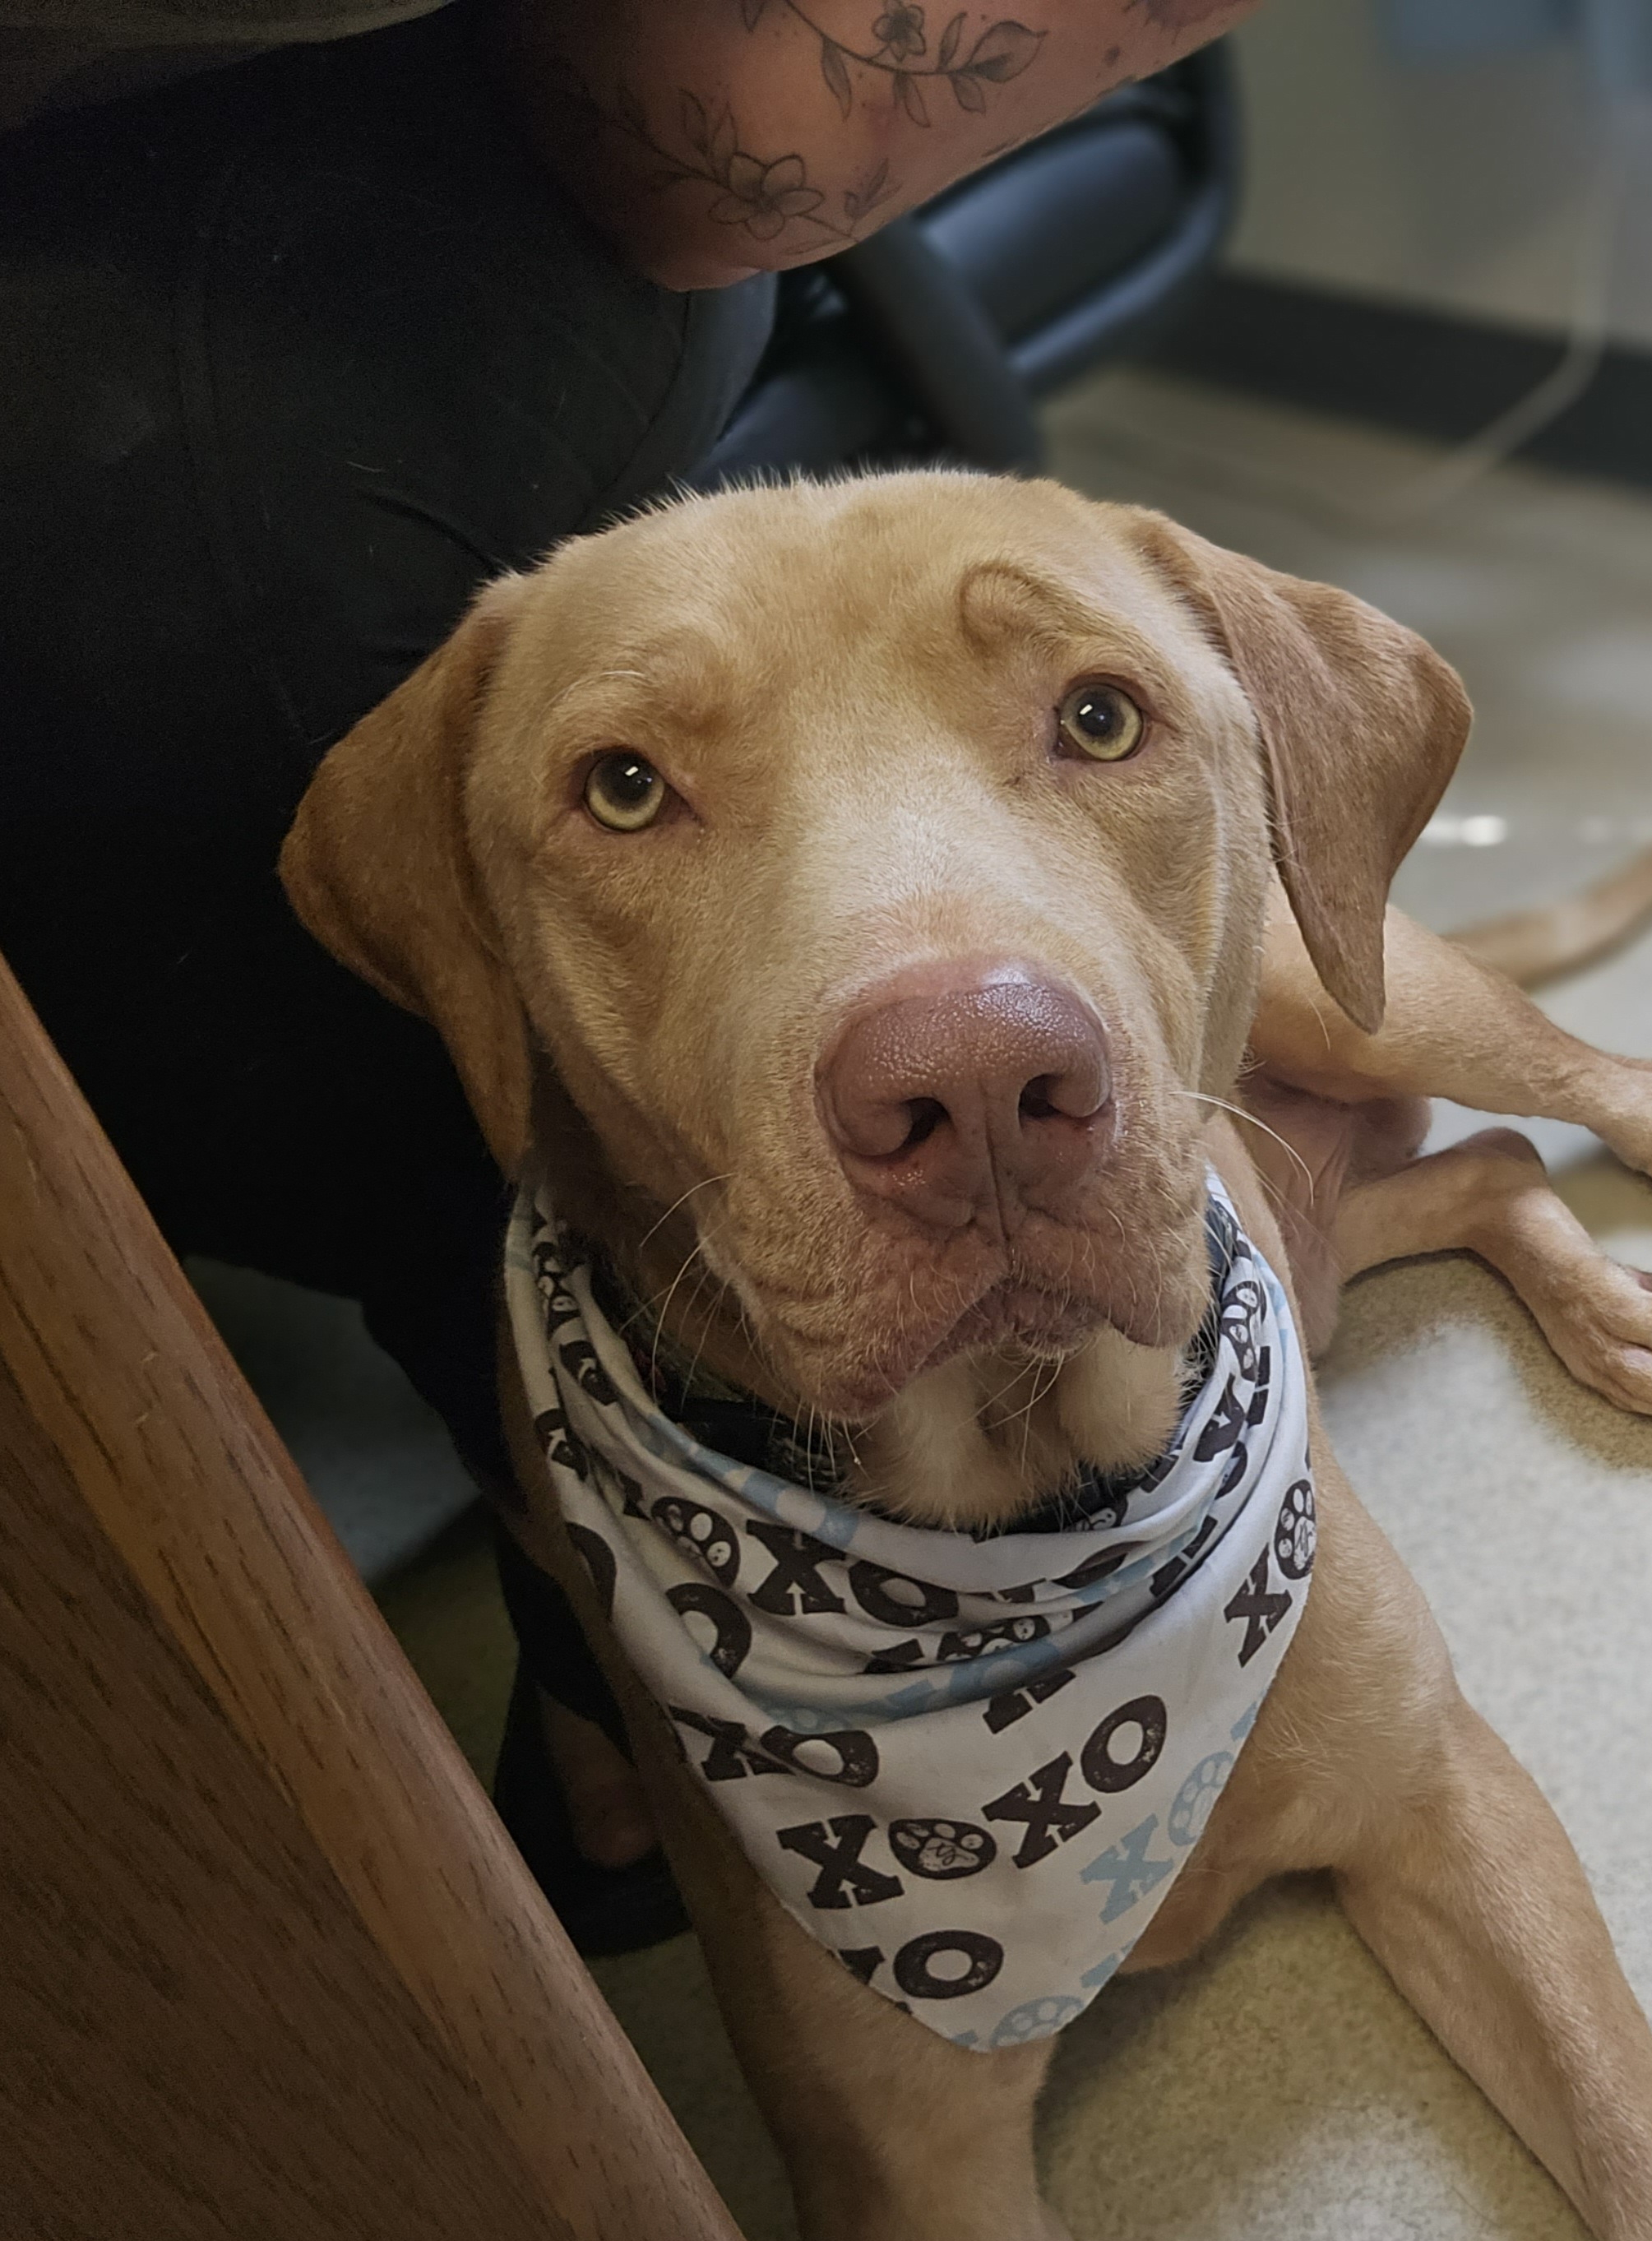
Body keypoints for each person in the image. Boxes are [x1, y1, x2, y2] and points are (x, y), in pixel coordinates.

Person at [0, 0, 1256, 1946]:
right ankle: (578, 1540)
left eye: (1093, 719)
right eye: (631, 784)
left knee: (177, 624)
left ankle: (510, 1441)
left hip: (469, 110)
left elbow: (750, 104)